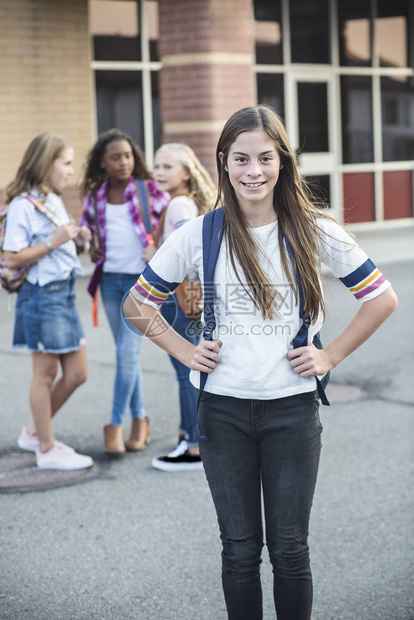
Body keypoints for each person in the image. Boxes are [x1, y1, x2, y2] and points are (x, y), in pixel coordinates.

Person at [123, 105, 398, 619]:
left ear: (283, 161)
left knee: (291, 550)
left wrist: (330, 354)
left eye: (266, 158)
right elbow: (136, 304)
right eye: (242, 158)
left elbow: (381, 297)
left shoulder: (315, 229)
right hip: (222, 413)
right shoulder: (199, 234)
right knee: (240, 551)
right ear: (224, 162)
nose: (254, 171)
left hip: (292, 412)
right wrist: (185, 351)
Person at [3, 132, 93, 470]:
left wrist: (79, 239)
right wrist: (54, 242)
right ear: (46, 163)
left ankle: (32, 432)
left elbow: (61, 246)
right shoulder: (22, 205)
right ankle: (45, 446)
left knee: (78, 373)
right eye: (66, 163)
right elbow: (11, 258)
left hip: (64, 294)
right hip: (42, 296)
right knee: (45, 374)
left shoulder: (51, 199)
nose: (71, 171)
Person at [80, 129, 169, 456]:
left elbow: (176, 230)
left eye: (128, 156)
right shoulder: (96, 196)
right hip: (109, 282)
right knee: (125, 354)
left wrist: (158, 250)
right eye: (115, 157)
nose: (123, 162)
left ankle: (115, 425)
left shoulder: (149, 192)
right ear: (102, 162)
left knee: (126, 354)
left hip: (140, 285)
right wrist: (87, 243)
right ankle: (141, 420)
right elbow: (88, 236)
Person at [151, 143, 216, 471]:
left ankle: (194, 446)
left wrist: (159, 259)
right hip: (183, 297)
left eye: (167, 167)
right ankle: (185, 434)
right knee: (188, 369)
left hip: (176, 297)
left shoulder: (179, 204)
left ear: (186, 173)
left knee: (185, 372)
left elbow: (192, 249)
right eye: (157, 166)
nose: (159, 172)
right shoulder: (187, 201)